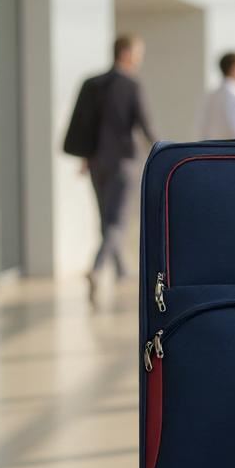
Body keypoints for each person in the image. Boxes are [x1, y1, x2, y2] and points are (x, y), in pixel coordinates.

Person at [74, 34, 156, 304]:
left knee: (106, 219)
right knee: (117, 221)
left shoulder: (92, 83)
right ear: (127, 54)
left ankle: (120, 269)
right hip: (123, 160)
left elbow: (82, 123)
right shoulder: (132, 85)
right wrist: (162, 151)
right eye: (139, 52)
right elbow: (145, 125)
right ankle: (97, 270)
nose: (141, 58)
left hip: (96, 160)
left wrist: (85, 155)